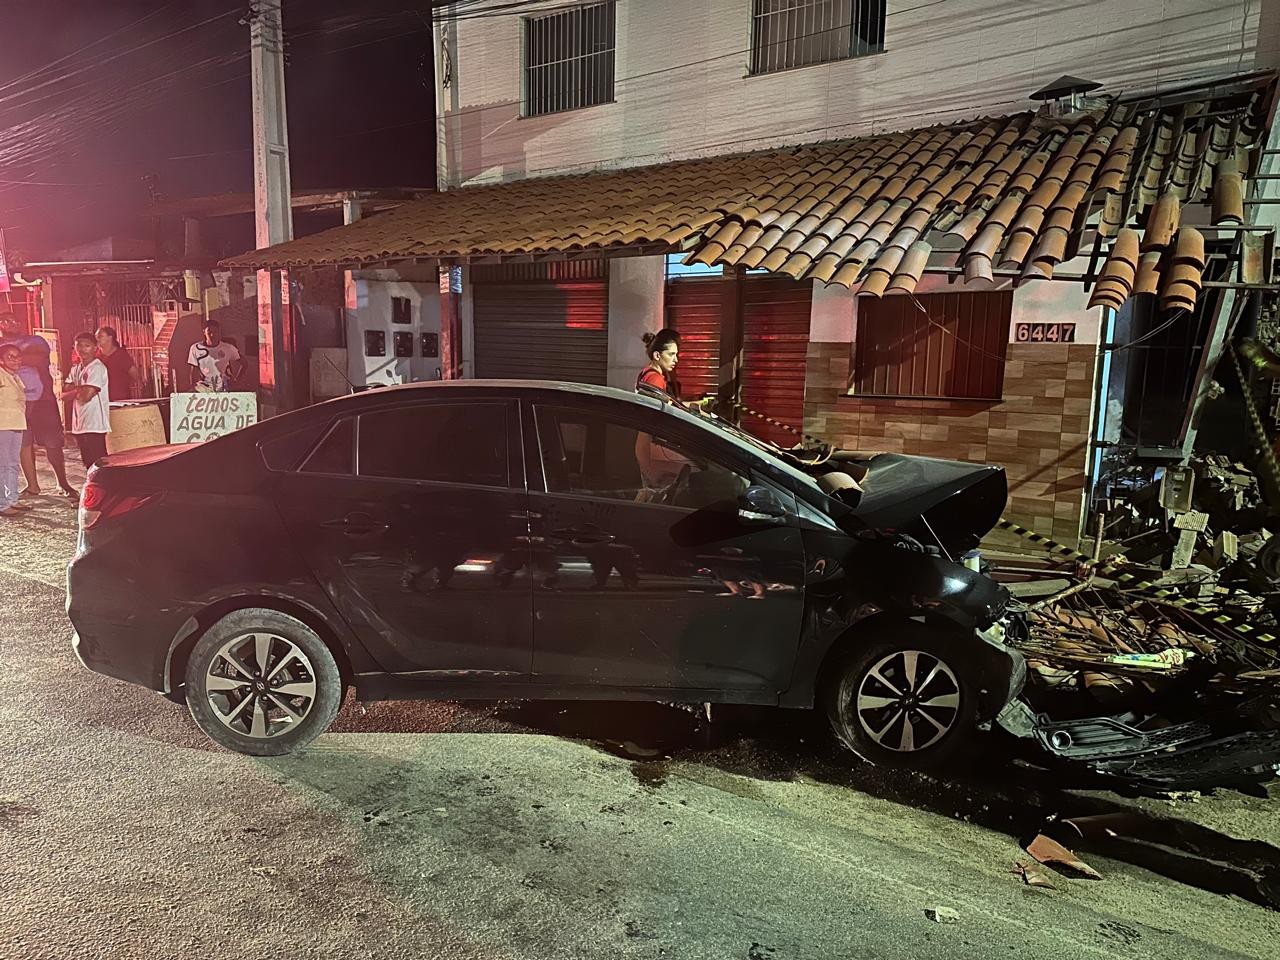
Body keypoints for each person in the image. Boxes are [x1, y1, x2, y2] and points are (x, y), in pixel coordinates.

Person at [18, 340, 76, 500]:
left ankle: (62, 483)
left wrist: (10, 357)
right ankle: (32, 485)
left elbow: (42, 359)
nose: (11, 324)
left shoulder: (33, 339)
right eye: (5, 321)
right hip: (17, 403)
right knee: (24, 443)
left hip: (44, 401)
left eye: (13, 320)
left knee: (53, 443)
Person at [63, 332, 111, 469]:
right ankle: (94, 489)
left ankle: (106, 488)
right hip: (80, 424)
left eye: (87, 346)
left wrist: (75, 390)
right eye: (79, 345)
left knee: (99, 462)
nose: (82, 349)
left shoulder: (97, 368)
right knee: (87, 462)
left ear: (95, 348)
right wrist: (80, 389)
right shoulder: (76, 369)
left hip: (95, 423)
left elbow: (86, 397)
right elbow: (63, 394)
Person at [0, 343, 32, 517]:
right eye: (9, 357)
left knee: (13, 464)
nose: (15, 360)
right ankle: (2, 504)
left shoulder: (15, 377)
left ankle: (12, 499)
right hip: (2, 425)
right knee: (2, 465)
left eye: (17, 356)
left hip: (17, 424)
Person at [188, 320, 243, 392]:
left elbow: (244, 363)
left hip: (224, 386)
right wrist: (193, 386)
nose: (212, 335)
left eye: (215, 332)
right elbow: (193, 370)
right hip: (204, 387)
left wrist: (237, 380)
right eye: (209, 332)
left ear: (219, 332)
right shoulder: (195, 348)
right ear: (204, 332)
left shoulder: (228, 348)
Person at [96, 326, 141, 402]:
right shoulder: (96, 357)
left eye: (100, 336)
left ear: (110, 337)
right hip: (101, 399)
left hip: (120, 398)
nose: (97, 339)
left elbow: (135, 374)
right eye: (96, 337)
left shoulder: (121, 355)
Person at [637, 329, 681, 399]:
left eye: (676, 354)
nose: (676, 360)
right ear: (657, 355)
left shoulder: (647, 372)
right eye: (671, 354)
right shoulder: (655, 379)